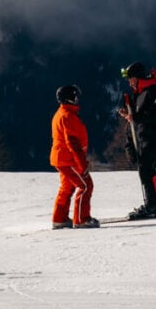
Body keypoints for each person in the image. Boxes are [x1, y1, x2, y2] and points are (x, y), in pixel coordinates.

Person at [119, 62, 156, 219]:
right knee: (147, 169)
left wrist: (134, 117)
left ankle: (152, 206)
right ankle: (155, 203)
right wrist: (130, 116)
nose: (130, 82)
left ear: (138, 77)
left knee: (146, 169)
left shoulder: (153, 90)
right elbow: (138, 117)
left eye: (131, 79)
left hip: (155, 135)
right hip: (146, 136)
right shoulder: (140, 92)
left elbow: (155, 114)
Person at [50, 84, 99, 229]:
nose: (77, 99)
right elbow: (73, 144)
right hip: (68, 159)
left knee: (67, 187)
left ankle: (59, 219)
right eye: (75, 96)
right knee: (85, 186)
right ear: (70, 98)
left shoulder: (63, 113)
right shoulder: (67, 116)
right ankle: (82, 219)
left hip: (62, 158)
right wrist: (82, 164)